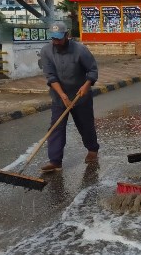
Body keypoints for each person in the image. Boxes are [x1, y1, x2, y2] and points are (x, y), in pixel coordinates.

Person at [39, 21, 100, 172]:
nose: (56, 41)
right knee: (56, 127)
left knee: (85, 125)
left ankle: (92, 150)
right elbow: (50, 76)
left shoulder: (80, 50)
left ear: (67, 35)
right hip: (59, 96)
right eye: (53, 38)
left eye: (59, 38)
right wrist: (62, 95)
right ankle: (55, 161)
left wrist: (86, 86)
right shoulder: (46, 51)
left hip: (80, 95)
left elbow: (92, 71)